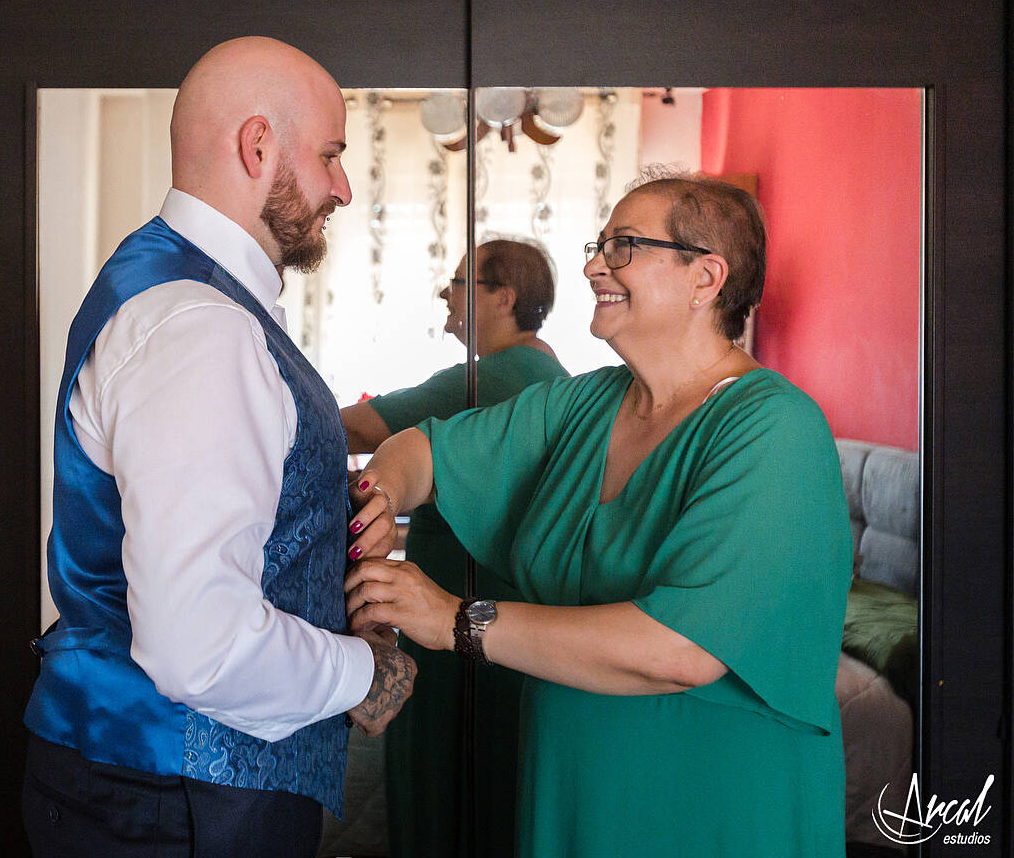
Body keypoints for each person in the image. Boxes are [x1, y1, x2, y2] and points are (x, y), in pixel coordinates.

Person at [343, 172, 850, 856]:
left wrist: (455, 620)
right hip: (572, 788)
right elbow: (424, 449)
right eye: (598, 245)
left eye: (623, 247)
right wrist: (381, 497)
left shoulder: (775, 429)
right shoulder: (588, 403)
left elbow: (683, 649)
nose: (591, 266)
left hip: (706, 803)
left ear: (705, 278)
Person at [22, 36, 415, 858]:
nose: (342, 186)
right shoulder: (203, 326)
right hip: (179, 799)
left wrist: (326, 517)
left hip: (167, 789)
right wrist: (363, 674)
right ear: (258, 144)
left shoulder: (178, 288)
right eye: (331, 155)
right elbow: (198, 643)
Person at [340, 238, 566, 858]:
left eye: (462, 281)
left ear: (504, 297)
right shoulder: (551, 374)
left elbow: (361, 427)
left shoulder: (489, 376)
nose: (447, 293)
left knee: (442, 774)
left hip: (457, 610)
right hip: (516, 608)